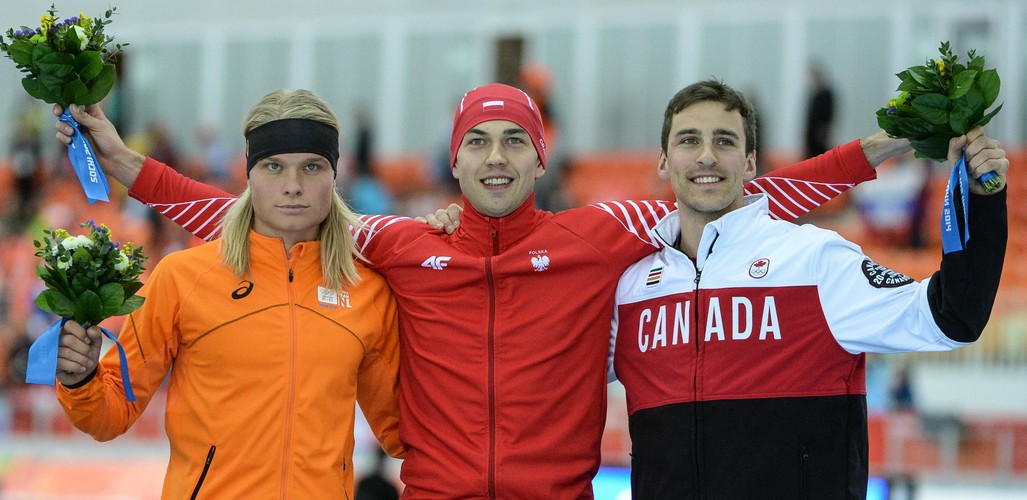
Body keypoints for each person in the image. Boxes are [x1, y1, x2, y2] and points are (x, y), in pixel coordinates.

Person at [55, 82, 909, 498]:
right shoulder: (401, 242)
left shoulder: (600, 232)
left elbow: (734, 192)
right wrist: (128, 167)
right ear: (454, 160)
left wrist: (878, 148)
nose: (495, 157)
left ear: (540, 157)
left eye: (513, 141)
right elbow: (272, 213)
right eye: (478, 142)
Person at [608, 80, 1007, 498]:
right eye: (689, 140)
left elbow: (951, 316)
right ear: (663, 161)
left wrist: (981, 199)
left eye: (724, 141)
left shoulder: (813, 260)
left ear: (750, 162)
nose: (706, 155)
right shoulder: (631, 289)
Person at [53, 89, 404, 498]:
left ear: (334, 176)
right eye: (274, 166)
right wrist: (80, 379)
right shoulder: (183, 278)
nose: (293, 186)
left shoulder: (367, 292)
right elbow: (110, 414)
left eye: (312, 167)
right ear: (249, 174)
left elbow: (402, 431)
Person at [805, 63, 836, 158]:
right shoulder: (815, 94)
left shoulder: (826, 94)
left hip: (820, 132)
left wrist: (824, 129)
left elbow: (829, 113)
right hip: (811, 132)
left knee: (819, 154)